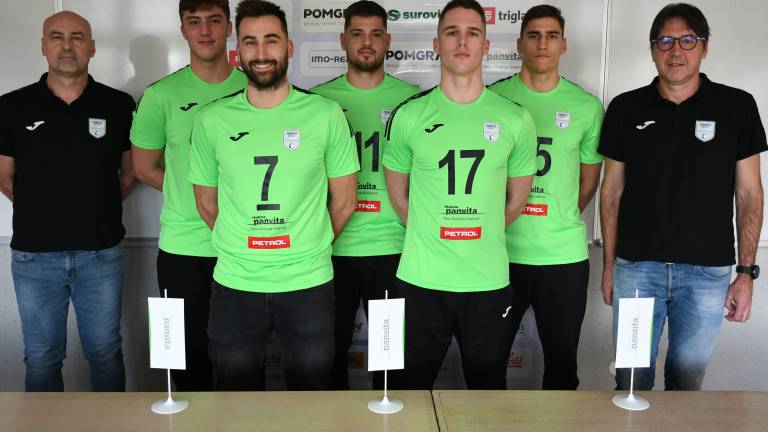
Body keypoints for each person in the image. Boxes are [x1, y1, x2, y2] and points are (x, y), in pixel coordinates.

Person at [188, 0, 359, 391]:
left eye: (271, 40)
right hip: (236, 283)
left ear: (289, 47)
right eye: (250, 42)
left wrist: (307, 246)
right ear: (238, 51)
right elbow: (206, 203)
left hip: (308, 282)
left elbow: (344, 201)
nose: (261, 52)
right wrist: (244, 248)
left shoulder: (325, 114)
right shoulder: (212, 120)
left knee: (312, 395)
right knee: (234, 397)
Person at [599, 3, 766, 390]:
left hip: (707, 274)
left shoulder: (737, 106)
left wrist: (745, 274)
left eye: (688, 40)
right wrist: (609, 266)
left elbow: (750, 194)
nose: (676, 51)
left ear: (704, 47)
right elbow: (611, 192)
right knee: (630, 379)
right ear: (652, 49)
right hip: (637, 268)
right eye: (665, 41)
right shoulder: (625, 108)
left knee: (687, 383)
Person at [384, 0, 537, 390]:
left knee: (487, 396)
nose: (462, 41)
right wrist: (431, 232)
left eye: (473, 33)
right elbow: (398, 195)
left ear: (486, 46)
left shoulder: (515, 118)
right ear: (437, 44)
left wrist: (480, 233)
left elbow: (517, 201)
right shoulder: (409, 115)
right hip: (421, 280)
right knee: (407, 394)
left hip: (487, 282)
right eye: (452, 33)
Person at [0, 11, 136, 391]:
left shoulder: (118, 105)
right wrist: (44, 210)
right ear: (43, 46)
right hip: (34, 257)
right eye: (56, 37)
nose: (67, 45)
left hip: (100, 253)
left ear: (92, 48)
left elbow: (130, 173)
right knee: (42, 358)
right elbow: (4, 177)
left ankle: (108, 420)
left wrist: (94, 206)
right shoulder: (11, 106)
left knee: (105, 353)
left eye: (77, 37)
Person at [130, 0, 247, 391]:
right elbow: (144, 167)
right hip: (182, 248)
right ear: (183, 29)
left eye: (214, 20)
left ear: (229, 26)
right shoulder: (160, 95)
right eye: (194, 22)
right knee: (187, 360)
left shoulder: (254, 88)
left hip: (243, 248)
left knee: (240, 360)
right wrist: (193, 192)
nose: (205, 30)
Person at [488, 4, 604, 390]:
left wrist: (557, 215)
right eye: (534, 35)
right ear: (520, 43)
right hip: (501, 254)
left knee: (562, 367)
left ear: (563, 45)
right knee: (489, 364)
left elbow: (588, 182)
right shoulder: (493, 99)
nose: (542, 44)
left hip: (563, 258)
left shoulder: (586, 107)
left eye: (551, 36)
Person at [310, 0, 419, 390]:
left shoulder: (412, 100)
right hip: (331, 249)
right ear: (343, 40)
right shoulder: (318, 102)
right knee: (328, 358)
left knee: (391, 365)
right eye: (357, 33)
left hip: (393, 249)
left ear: (387, 41)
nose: (367, 42)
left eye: (375, 34)